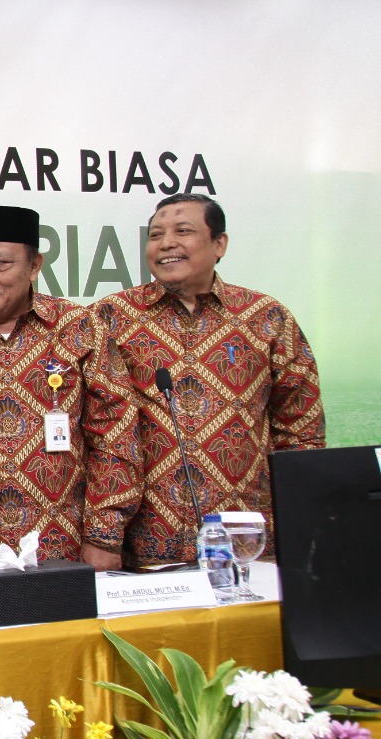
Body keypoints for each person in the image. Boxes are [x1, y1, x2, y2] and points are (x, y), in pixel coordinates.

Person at [94, 194, 324, 565]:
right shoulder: (109, 318)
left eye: (183, 231)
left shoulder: (266, 318)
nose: (166, 243)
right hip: (145, 545)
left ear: (220, 244)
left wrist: (303, 527)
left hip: (247, 544)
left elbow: (301, 433)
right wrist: (103, 536)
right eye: (155, 235)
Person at [0, 204, 142, 569]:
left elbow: (115, 433)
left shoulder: (79, 329)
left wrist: (104, 536)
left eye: (0, 263)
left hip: (66, 546)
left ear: (34, 266)